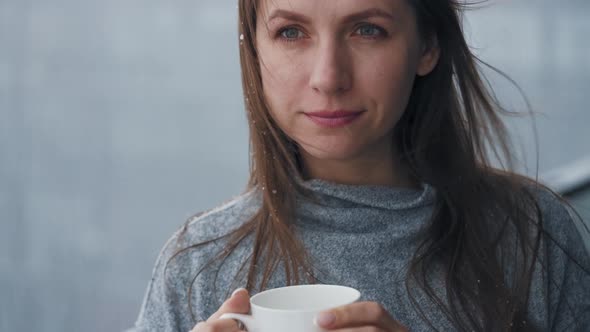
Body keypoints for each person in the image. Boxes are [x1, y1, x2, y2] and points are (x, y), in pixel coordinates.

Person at [127, 0, 590, 331]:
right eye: (291, 31)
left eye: (367, 29)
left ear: (427, 45)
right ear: (255, 49)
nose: (328, 77)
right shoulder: (198, 265)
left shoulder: (534, 235)